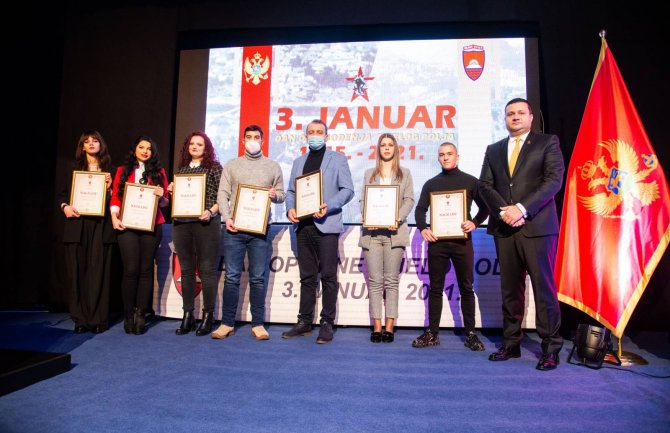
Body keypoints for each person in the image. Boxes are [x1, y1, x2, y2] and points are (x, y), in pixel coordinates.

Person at [478, 97, 565, 371]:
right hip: (505, 228)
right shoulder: (494, 149)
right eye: (509, 114)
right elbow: (484, 185)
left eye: (520, 113)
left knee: (544, 289)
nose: (514, 117)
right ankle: (511, 344)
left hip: (537, 227)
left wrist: (521, 209)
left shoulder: (547, 143)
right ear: (504, 119)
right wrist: (504, 212)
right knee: (509, 291)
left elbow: (553, 181)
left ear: (530, 117)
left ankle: (550, 348)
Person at [282, 119, 354, 344]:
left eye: (319, 132)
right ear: (306, 136)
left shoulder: (338, 159)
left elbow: (348, 190)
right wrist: (290, 208)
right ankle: (304, 321)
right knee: (307, 277)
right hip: (303, 226)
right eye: (311, 132)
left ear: (327, 136)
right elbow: (291, 191)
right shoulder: (298, 162)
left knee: (329, 276)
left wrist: (328, 205)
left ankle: (326, 322)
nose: (315, 135)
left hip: (327, 224)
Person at [412, 142, 489, 350]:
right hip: (437, 243)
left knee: (466, 288)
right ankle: (432, 333)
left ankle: (471, 333)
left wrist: (474, 222)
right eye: (441, 155)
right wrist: (422, 228)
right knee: (435, 288)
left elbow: (486, 208)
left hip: (462, 243)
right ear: (438, 158)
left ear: (457, 156)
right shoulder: (431, 184)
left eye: (449, 154)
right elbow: (420, 210)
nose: (445, 158)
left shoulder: (471, 181)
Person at [212, 125, 285, 341]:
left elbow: (281, 194)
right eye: (249, 137)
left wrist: (275, 194)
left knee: (258, 278)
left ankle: (258, 324)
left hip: (260, 230)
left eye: (256, 137)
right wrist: (227, 218)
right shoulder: (232, 165)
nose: (253, 140)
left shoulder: (273, 166)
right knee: (232, 277)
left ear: (262, 141)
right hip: (234, 229)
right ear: (243, 140)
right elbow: (222, 195)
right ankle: (227, 323)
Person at [110, 135, 169, 335]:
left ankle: (141, 314)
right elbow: (116, 197)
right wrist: (114, 217)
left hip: (152, 225)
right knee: (131, 270)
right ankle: (128, 314)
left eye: (149, 148)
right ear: (134, 149)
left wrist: (162, 196)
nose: (145, 151)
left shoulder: (159, 172)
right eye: (141, 147)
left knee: (146, 271)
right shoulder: (122, 170)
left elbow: (165, 203)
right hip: (127, 225)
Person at [58, 130, 115, 334]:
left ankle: (98, 318)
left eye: (95, 140)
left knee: (98, 272)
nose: (91, 144)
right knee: (77, 271)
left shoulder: (110, 171)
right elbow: (61, 195)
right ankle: (80, 318)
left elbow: (117, 202)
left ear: (101, 145)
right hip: (77, 224)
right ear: (82, 146)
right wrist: (65, 207)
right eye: (86, 141)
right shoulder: (72, 169)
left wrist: (110, 189)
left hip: (100, 225)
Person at [359, 133, 414, 343]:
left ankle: (389, 326)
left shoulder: (405, 174)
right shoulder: (368, 174)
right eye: (383, 145)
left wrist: (397, 217)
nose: (387, 148)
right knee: (374, 282)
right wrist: (366, 217)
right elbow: (363, 200)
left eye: (391, 145)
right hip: (372, 234)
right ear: (378, 149)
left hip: (394, 233)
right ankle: (377, 325)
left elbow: (409, 200)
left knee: (391, 282)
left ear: (396, 149)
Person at [167, 131, 222, 336]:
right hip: (182, 224)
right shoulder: (181, 171)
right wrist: (173, 192)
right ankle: (188, 315)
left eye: (200, 144)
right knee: (187, 270)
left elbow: (222, 196)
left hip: (206, 224)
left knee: (207, 270)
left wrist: (210, 211)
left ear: (206, 148)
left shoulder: (215, 168)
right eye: (192, 144)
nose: (195, 147)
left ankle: (208, 315)